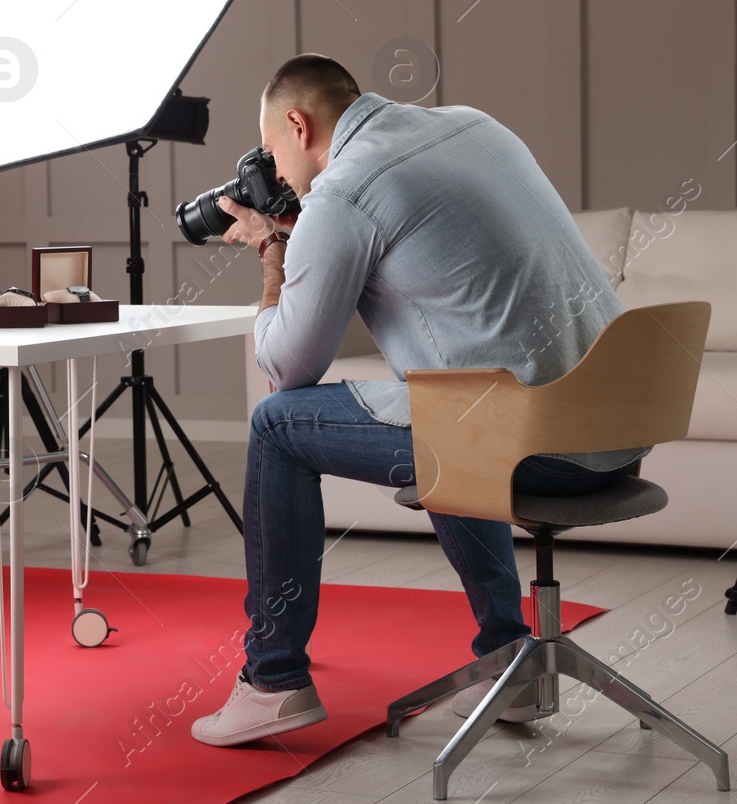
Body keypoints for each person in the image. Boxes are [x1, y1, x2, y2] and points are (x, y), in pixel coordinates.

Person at [190, 54, 644, 747]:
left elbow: (287, 366)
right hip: (621, 422)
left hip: (537, 444)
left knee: (277, 426)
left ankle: (272, 680)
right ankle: (507, 659)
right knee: (443, 401)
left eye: (275, 154)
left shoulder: (344, 192)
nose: (277, 176)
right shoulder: (473, 125)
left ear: (296, 123)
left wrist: (271, 253)